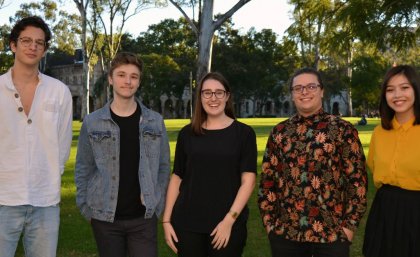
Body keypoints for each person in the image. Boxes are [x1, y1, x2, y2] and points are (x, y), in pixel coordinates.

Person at [258, 67, 367, 257]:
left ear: (322, 91)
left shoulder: (342, 130)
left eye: (311, 86)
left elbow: (357, 182)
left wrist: (348, 229)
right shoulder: (280, 132)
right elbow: (268, 182)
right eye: (298, 88)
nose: (304, 92)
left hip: (331, 236)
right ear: (292, 94)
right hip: (287, 236)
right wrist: (270, 225)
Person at [75, 52, 170, 257]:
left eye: (133, 76)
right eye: (121, 75)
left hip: (143, 218)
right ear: (110, 79)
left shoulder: (155, 121)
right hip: (104, 217)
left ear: (139, 81)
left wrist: (157, 203)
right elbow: (84, 166)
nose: (127, 81)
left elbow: (163, 167)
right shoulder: (92, 122)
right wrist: (86, 207)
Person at [162, 72, 257, 257]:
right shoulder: (187, 134)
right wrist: (166, 221)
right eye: (207, 93)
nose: (213, 98)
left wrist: (229, 220)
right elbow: (177, 177)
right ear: (200, 97)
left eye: (219, 92)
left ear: (227, 96)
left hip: (226, 224)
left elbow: (249, 181)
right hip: (187, 223)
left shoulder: (244, 134)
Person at [0, 16, 73, 257]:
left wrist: (51, 175)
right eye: (26, 41)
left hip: (45, 202)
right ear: (13, 45)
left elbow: (63, 143)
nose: (33, 46)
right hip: (3, 199)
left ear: (44, 49)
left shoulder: (59, 92)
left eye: (39, 43)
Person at [363, 65, 420, 257]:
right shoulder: (379, 132)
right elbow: (373, 166)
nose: (397, 95)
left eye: (404, 88)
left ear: (415, 90)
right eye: (390, 89)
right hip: (384, 211)